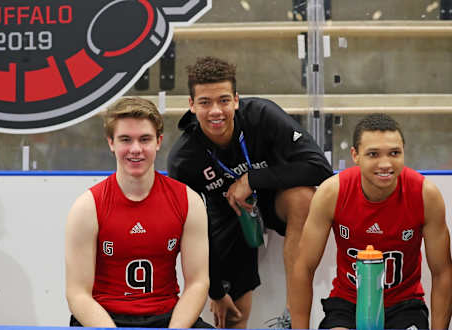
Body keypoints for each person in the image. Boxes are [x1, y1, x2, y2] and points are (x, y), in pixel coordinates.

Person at [167, 56, 333, 328]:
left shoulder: (262, 115)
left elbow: (320, 170)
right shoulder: (184, 158)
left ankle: (294, 316)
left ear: (236, 99)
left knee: (305, 197)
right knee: (234, 313)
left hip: (271, 198)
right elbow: (192, 228)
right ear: (191, 105)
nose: (215, 111)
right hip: (226, 213)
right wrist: (216, 291)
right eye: (205, 103)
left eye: (223, 100)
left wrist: (253, 178)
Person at [289, 113, 452, 329]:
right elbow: (303, 267)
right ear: (355, 155)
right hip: (347, 304)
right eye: (373, 154)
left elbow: (442, 272)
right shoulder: (333, 192)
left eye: (394, 153)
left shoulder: (425, 195)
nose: (385, 164)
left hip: (404, 306)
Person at [65, 97, 212, 328]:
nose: (135, 149)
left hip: (167, 318)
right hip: (105, 319)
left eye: (145, 139)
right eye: (125, 139)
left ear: (158, 142)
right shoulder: (87, 207)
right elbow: (77, 293)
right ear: (111, 143)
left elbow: (198, 283)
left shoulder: (188, 201)